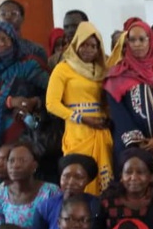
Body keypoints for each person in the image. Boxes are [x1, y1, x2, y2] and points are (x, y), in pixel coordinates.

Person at [46, 21, 113, 195]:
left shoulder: (102, 70)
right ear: (75, 44)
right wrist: (81, 118)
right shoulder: (63, 69)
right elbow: (51, 104)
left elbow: (105, 101)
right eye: (83, 44)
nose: (88, 49)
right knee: (78, 176)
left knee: (103, 179)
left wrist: (105, 117)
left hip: (100, 129)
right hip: (77, 131)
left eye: (93, 46)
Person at [0, 21, 51, 168]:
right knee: (5, 177)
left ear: (13, 40)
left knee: (29, 170)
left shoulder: (30, 64)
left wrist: (35, 101)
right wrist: (9, 102)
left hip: (32, 125)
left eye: (4, 39)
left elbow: (54, 94)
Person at [105, 18, 153, 163]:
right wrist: (139, 142)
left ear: (150, 42)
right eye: (132, 40)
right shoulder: (117, 75)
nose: (137, 44)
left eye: (141, 39)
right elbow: (119, 114)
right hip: (130, 147)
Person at [31, 154, 100, 229]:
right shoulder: (45, 207)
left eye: (78, 177)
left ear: (88, 180)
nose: (71, 182)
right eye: (66, 176)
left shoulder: (96, 205)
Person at [0, 141, 60, 229]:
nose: (15, 165)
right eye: (11, 161)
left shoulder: (51, 192)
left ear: (34, 165)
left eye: (22, 160)